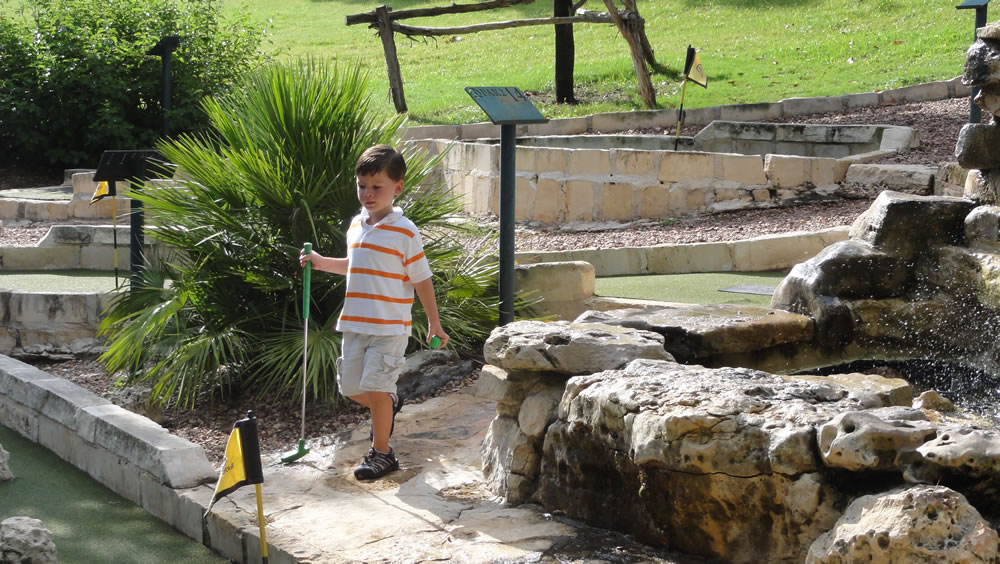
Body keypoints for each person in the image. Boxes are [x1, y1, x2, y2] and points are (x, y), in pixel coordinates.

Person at [299, 144, 449, 480]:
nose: (367, 193)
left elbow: (421, 278)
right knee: (351, 388)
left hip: (390, 327)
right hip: (355, 323)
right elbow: (355, 265)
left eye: (376, 186)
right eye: (362, 185)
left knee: (378, 390)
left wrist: (434, 323)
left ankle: (382, 453)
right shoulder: (357, 225)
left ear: (397, 187)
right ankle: (388, 404)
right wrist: (321, 262)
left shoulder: (405, 231)